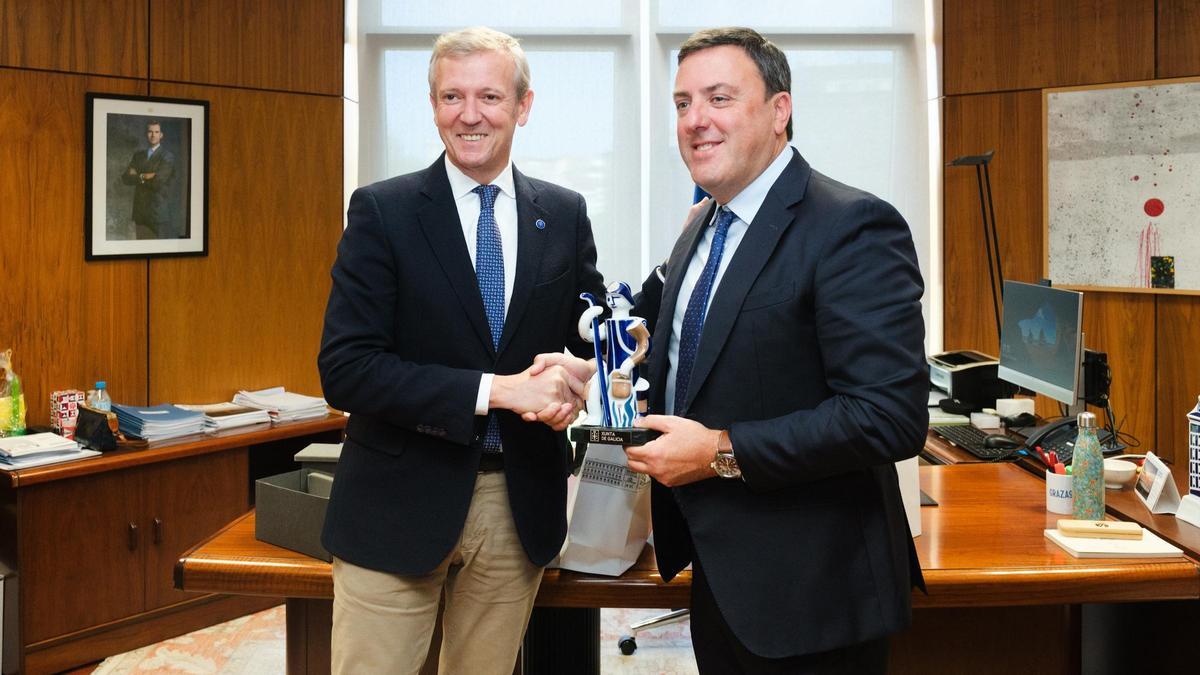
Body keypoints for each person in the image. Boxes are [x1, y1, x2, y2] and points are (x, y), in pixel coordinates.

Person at [625, 27, 928, 673]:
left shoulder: (850, 225)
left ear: (778, 109)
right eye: (682, 104)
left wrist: (720, 452)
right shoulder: (703, 224)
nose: (695, 121)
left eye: (719, 97)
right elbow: (690, 360)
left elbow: (887, 415)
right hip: (723, 573)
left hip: (814, 594)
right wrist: (603, 375)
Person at [317, 26, 603, 675]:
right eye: (451, 96)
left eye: (489, 97)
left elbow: (588, 326)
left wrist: (585, 372)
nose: (469, 115)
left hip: (518, 505)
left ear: (523, 106)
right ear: (433, 104)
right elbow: (346, 368)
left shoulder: (563, 212)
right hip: (396, 501)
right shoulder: (382, 212)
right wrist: (498, 391)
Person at [121, 120, 176, 238]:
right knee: (141, 250)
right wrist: (145, 175)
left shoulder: (167, 156)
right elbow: (125, 178)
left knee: (159, 251)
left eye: (156, 132)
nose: (153, 135)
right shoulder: (138, 156)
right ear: (146, 134)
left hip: (157, 214)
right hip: (140, 214)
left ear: (161, 135)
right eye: (150, 131)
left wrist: (137, 175)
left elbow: (157, 183)